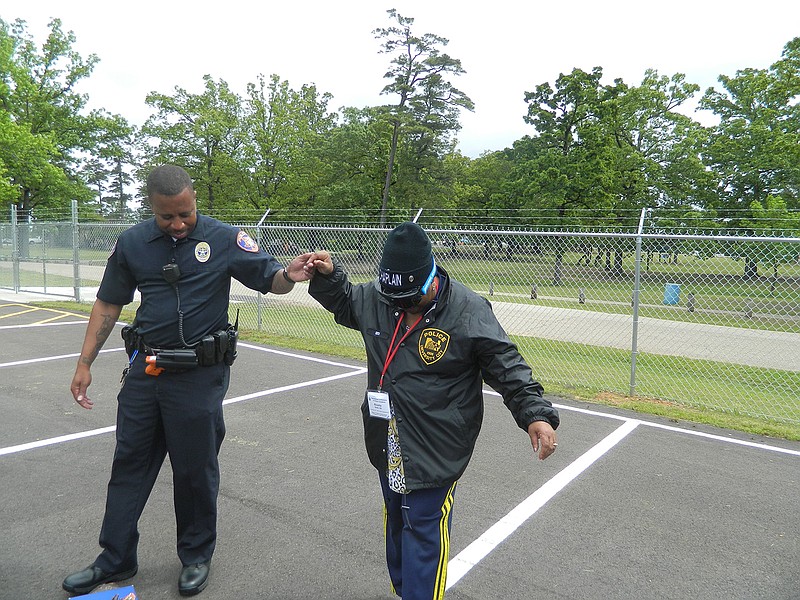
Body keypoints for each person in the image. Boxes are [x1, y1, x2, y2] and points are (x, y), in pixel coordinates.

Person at [63, 165, 309, 597]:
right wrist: (85, 363)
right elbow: (107, 304)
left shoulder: (223, 238)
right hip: (145, 371)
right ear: (151, 208)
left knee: (195, 472)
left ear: (194, 199)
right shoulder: (133, 243)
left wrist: (289, 274)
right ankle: (114, 558)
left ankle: (196, 555)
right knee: (128, 466)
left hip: (199, 375)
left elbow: (271, 280)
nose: (177, 224)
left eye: (185, 214)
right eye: (166, 217)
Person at [302, 221, 560, 600]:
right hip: (386, 438)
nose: (401, 306)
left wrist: (535, 413)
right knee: (396, 522)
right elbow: (346, 302)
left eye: (409, 298)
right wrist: (330, 276)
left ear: (431, 279)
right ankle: (405, 590)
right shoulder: (380, 297)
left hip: (437, 444)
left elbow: (506, 364)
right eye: (395, 299)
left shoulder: (468, 310)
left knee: (423, 530)